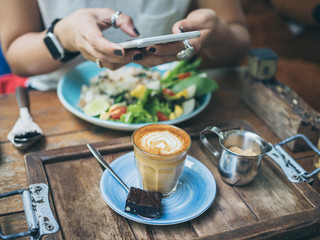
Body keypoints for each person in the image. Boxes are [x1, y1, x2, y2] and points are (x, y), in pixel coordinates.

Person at [0, 0, 250, 91]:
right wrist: (64, 36)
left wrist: (217, 34)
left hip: (163, 98)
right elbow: (16, 56)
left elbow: (238, 45)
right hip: (54, 99)